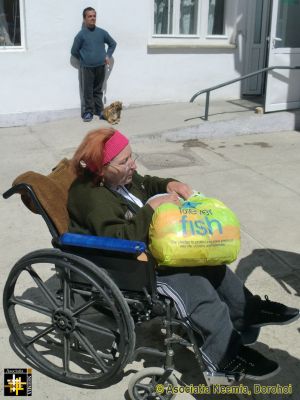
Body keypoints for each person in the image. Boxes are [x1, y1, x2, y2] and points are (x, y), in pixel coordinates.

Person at [67, 127, 299, 381]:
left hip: (149, 252)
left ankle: (247, 311)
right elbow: (116, 240)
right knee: (196, 287)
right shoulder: (93, 197)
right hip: (128, 267)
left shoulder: (119, 179)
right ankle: (225, 357)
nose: (133, 165)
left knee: (211, 262)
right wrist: (151, 210)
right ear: (101, 169)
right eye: (125, 162)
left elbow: (145, 183)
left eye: (132, 156)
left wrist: (170, 184)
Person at [71, 7, 117, 122]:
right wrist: (83, 59)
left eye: (94, 16)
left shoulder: (101, 32)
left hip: (101, 67)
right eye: (90, 16)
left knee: (98, 90)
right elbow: (74, 51)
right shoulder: (81, 35)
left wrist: (107, 56)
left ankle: (100, 111)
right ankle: (88, 112)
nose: (92, 18)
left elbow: (112, 43)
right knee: (87, 91)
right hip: (87, 68)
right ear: (84, 18)